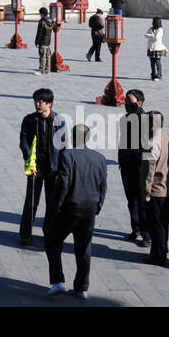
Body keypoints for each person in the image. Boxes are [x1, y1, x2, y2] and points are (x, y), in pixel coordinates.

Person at [45, 124, 107, 299]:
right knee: (84, 248)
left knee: (52, 241)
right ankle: (81, 287)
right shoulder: (99, 158)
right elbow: (103, 185)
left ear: (72, 138)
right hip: (90, 209)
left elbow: (63, 184)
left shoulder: (68, 156)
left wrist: (56, 206)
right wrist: (98, 206)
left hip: (70, 209)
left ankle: (58, 281)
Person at [19, 88, 68, 247]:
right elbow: (24, 141)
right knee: (31, 202)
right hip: (36, 168)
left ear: (50, 104)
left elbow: (64, 146)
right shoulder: (29, 120)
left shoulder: (59, 121)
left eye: (41, 102)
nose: (37, 104)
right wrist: (28, 159)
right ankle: (26, 234)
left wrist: (63, 168)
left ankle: (49, 232)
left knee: (52, 204)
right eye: (36, 101)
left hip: (53, 169)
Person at [141, 110, 169, 266]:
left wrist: (146, 192)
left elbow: (149, 170)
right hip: (167, 188)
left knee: (156, 225)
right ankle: (161, 249)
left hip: (155, 189)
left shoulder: (151, 142)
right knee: (163, 222)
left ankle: (159, 255)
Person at [117, 90, 150, 247]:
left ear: (140, 103)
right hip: (127, 163)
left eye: (130, 102)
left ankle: (147, 234)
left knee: (142, 201)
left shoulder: (146, 118)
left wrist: (136, 108)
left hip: (140, 166)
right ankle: (135, 228)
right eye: (125, 102)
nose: (126, 105)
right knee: (131, 199)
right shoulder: (125, 119)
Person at [144, 17, 168, 81]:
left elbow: (157, 38)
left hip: (158, 49)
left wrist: (151, 36)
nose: (152, 22)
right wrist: (152, 36)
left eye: (154, 21)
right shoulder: (150, 28)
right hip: (150, 48)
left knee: (158, 63)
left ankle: (159, 76)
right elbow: (145, 35)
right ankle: (153, 75)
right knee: (152, 63)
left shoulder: (160, 30)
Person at [34, 7, 54, 75]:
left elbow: (39, 33)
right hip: (48, 41)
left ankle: (41, 70)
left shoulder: (42, 21)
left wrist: (36, 42)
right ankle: (47, 70)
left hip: (42, 41)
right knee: (48, 56)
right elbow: (53, 26)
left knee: (42, 56)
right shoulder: (50, 20)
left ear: (42, 14)